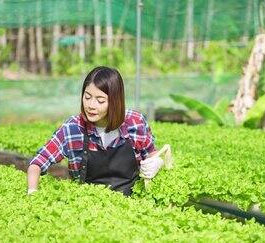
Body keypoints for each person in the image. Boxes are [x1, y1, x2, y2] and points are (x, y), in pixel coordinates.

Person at [27, 66, 164, 196]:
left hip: (132, 206)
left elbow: (151, 153)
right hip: (88, 209)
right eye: (87, 97)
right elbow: (38, 162)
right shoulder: (73, 128)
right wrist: (32, 192)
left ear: (115, 102)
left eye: (100, 100)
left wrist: (157, 161)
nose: (91, 105)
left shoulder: (135, 122)